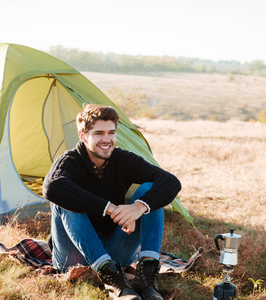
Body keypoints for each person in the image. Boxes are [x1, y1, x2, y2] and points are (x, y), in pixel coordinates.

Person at [43, 104, 181, 300]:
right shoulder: (70, 160)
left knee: (150, 191)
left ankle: (147, 277)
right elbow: (51, 187)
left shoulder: (123, 159)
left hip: (116, 251)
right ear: (83, 136)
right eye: (99, 133)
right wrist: (110, 209)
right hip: (73, 256)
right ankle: (112, 278)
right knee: (65, 197)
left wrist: (137, 208)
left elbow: (170, 181)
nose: (107, 140)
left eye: (111, 132)